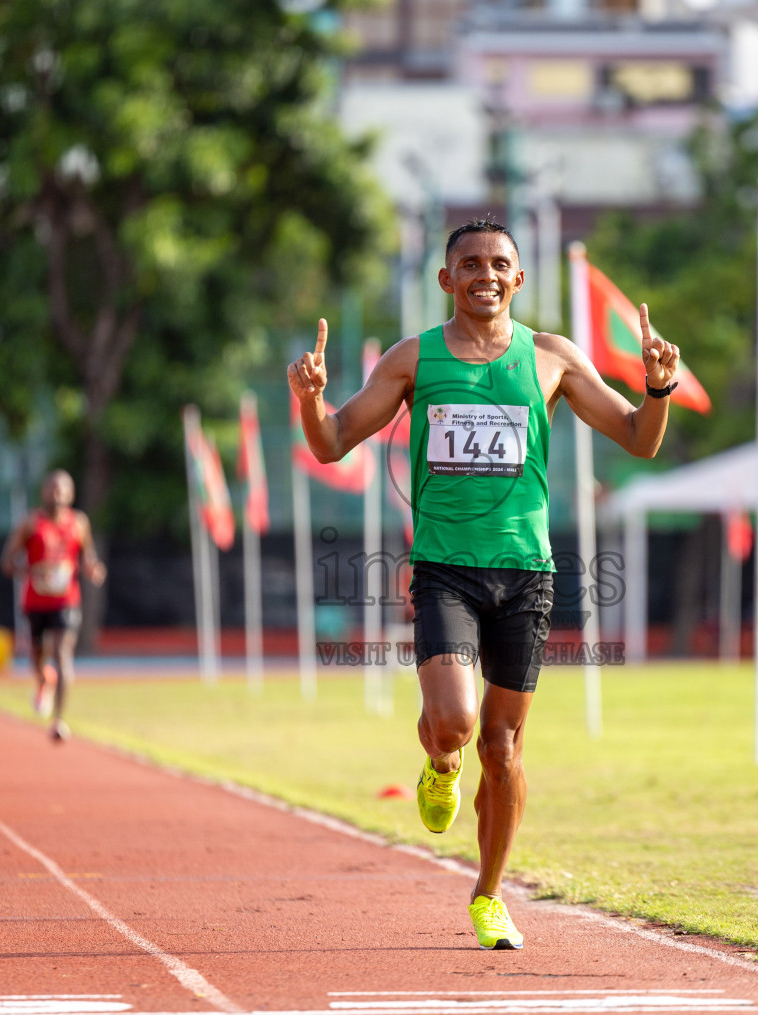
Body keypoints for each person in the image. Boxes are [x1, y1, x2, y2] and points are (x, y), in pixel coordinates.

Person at [288, 217, 679, 950]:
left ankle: (490, 893)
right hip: (445, 570)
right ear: (447, 281)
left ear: (519, 279)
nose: (485, 274)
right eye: (469, 263)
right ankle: (439, 762)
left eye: (499, 263)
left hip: (527, 574)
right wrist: (311, 399)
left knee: (502, 749)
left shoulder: (553, 358)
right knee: (458, 727)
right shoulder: (415, 360)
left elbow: (638, 437)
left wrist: (660, 386)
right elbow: (334, 441)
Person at [0, 470, 107, 742]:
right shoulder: (30, 524)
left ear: (71, 494)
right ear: (43, 492)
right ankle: (42, 679)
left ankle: (59, 720)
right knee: (37, 655)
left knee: (62, 654)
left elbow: (88, 556)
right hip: (36, 601)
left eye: (62, 490)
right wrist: (32, 571)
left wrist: (93, 569)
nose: (56, 494)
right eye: (51, 489)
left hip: (66, 600)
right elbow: (7, 563)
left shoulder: (79, 523)